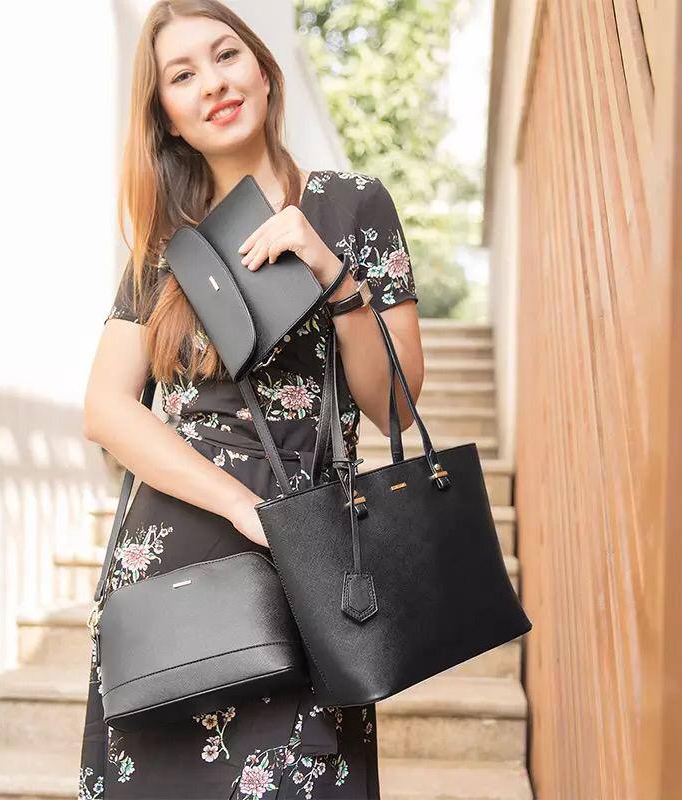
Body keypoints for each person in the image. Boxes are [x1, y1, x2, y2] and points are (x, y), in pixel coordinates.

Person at [79, 1, 424, 798]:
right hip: (176, 557)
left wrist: (332, 273)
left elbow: (396, 407)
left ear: (265, 71)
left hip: (309, 557)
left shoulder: (352, 204)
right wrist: (241, 507)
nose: (213, 83)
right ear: (166, 118)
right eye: (182, 75)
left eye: (226, 55)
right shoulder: (167, 243)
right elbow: (107, 408)